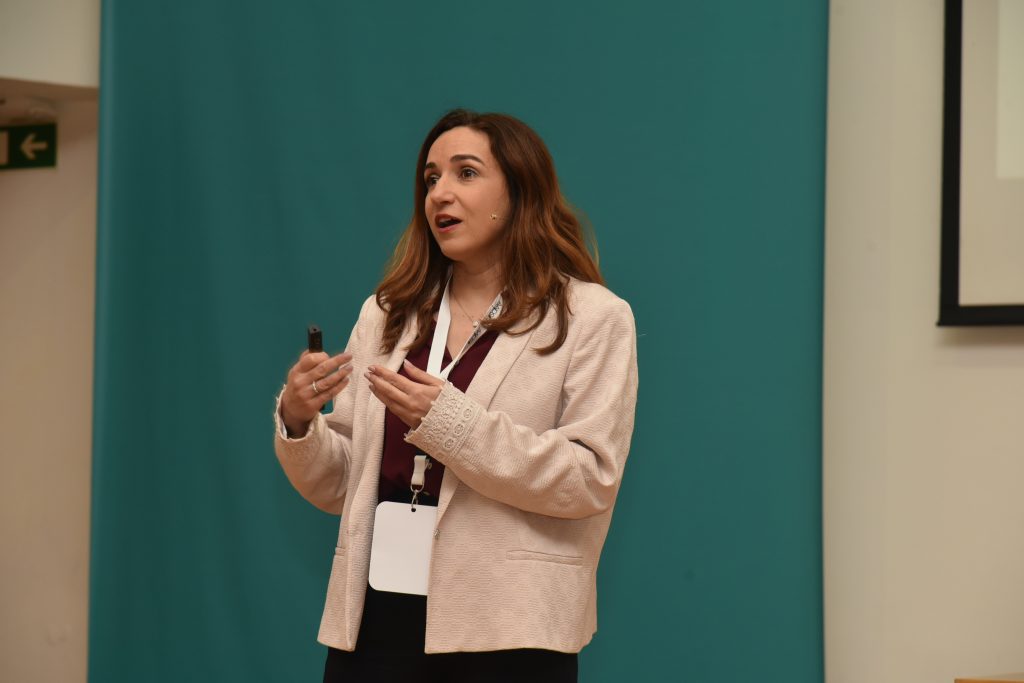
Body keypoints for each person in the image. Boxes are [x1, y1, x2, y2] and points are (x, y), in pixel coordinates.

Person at [274, 109, 638, 683]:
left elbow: (590, 477)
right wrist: (299, 422)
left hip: (508, 631)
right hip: (374, 626)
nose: (440, 193)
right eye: (431, 179)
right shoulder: (387, 315)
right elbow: (343, 483)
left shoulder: (593, 317)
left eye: (466, 173)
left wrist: (450, 423)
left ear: (519, 191)